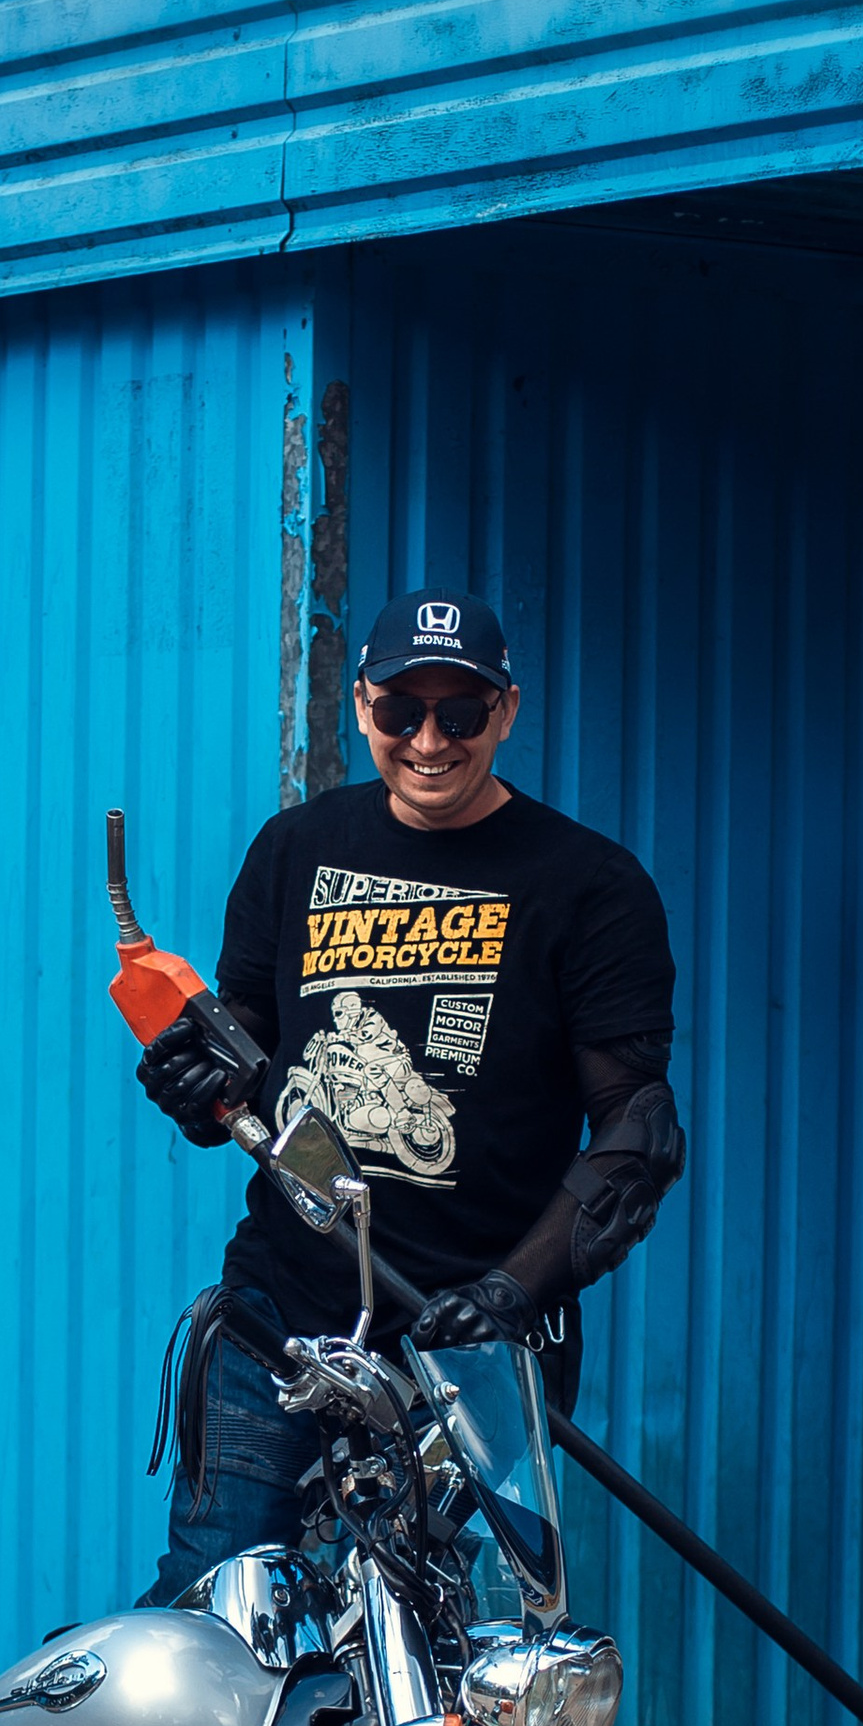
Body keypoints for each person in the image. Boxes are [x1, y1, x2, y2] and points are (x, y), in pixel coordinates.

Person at [137, 587, 685, 1601]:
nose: (429, 740)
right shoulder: (294, 851)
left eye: (461, 713)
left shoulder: (590, 886)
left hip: (473, 1341)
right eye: (402, 711)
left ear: (505, 713)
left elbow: (635, 1127)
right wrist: (196, 1077)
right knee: (213, 1610)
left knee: (447, 1656)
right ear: (361, 707)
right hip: (286, 1316)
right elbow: (252, 1041)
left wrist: (511, 1296)